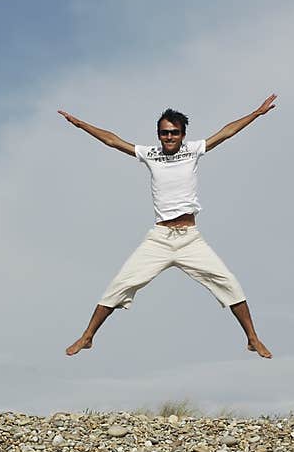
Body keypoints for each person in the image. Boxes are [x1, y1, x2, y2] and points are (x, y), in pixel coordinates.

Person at [58, 94, 277, 359]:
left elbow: (227, 132)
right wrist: (81, 124)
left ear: (183, 134)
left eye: (174, 133)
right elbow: (112, 140)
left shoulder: (193, 150)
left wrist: (256, 113)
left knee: (229, 283)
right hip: (160, 239)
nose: (169, 137)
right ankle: (88, 336)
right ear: (158, 135)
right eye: (164, 133)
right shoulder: (150, 154)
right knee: (120, 284)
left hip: (190, 240)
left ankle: (252, 339)